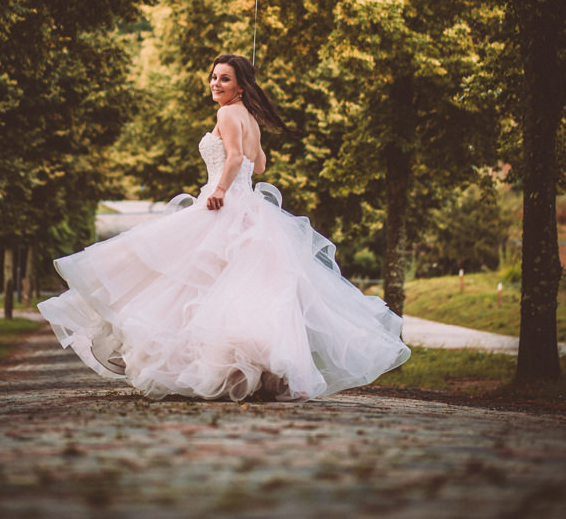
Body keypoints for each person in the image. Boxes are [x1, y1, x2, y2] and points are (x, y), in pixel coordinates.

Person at [38, 53, 410, 402]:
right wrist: (252, 135)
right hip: (250, 208)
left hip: (226, 202)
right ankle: (239, 369)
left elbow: (234, 158)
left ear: (240, 86)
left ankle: (208, 368)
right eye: (214, 77)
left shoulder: (229, 115)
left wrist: (218, 190)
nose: (216, 83)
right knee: (235, 289)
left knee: (177, 275)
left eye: (225, 79)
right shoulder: (247, 116)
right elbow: (259, 164)